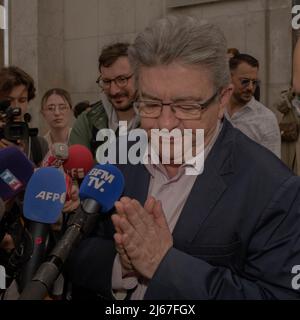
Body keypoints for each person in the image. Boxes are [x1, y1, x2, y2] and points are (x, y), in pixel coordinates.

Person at [67, 15, 300, 300]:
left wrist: (164, 266)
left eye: (187, 106)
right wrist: (121, 263)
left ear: (223, 98)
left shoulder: (275, 190)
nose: (165, 124)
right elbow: (76, 253)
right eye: (150, 104)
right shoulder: (118, 155)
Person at [69, 42, 139, 156]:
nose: (113, 90)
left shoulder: (159, 120)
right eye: (106, 82)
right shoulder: (87, 121)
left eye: (122, 79)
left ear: (139, 76)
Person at [225, 54, 281, 158]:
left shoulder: (266, 119)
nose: (250, 87)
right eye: (245, 81)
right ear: (229, 78)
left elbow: (272, 167)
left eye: (254, 82)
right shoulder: (214, 109)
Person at [0, 66, 48, 166]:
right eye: (9, 100)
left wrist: (21, 159)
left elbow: (42, 180)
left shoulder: (38, 145)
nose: (16, 107)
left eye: (22, 100)